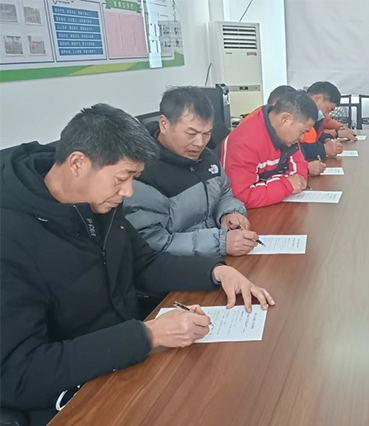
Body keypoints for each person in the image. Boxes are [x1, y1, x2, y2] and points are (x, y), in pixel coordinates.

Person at [0, 104, 275, 423]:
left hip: (127, 364)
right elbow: (19, 375)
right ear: (77, 164)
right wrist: (147, 335)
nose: (128, 191)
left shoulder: (98, 202)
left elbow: (143, 263)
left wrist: (216, 271)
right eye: (122, 178)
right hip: (75, 399)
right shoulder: (11, 239)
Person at [124, 87, 259, 258]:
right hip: (181, 267)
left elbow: (224, 193)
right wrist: (220, 243)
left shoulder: (206, 157)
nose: (200, 143)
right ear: (164, 124)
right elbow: (154, 243)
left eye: (207, 133)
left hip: (216, 256)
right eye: (191, 133)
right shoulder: (142, 172)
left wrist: (229, 213)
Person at [221, 89, 316, 208]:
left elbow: (299, 176)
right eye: (302, 131)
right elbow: (241, 196)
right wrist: (285, 185)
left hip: (272, 207)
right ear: (285, 119)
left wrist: (276, 186)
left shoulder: (287, 137)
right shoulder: (245, 142)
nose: (302, 138)